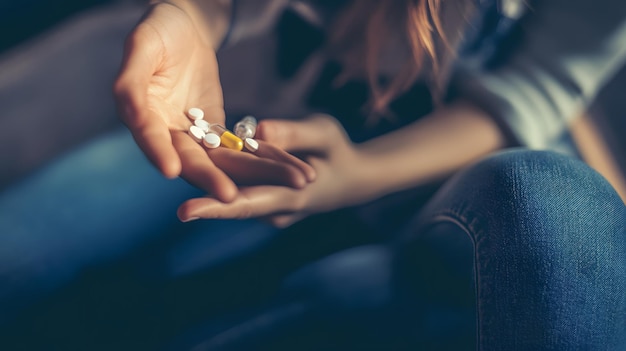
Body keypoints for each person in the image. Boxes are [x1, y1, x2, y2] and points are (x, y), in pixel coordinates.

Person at [0, 0, 624, 350]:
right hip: (242, 91)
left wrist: (362, 173)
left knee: (226, 296)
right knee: (28, 243)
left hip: (393, 191)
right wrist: (195, 16)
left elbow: (530, 95)